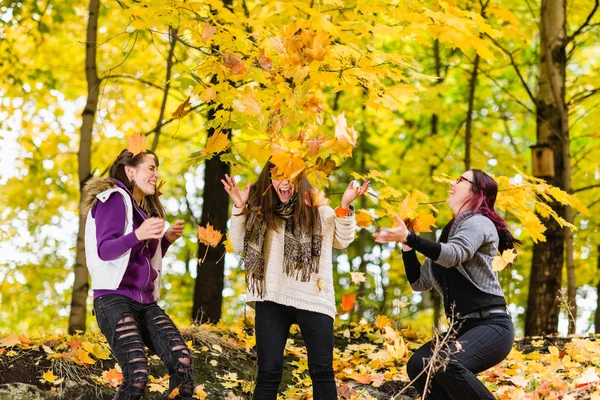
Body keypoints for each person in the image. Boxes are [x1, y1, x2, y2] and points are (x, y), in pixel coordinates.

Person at [222, 160, 368, 400]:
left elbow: (343, 240)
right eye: (278, 175)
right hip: (271, 297)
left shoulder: (320, 212)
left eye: (292, 175)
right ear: (270, 181)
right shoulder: (261, 214)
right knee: (268, 372)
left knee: (322, 371)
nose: (285, 181)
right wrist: (239, 206)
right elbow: (239, 245)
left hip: (314, 299)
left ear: (300, 179)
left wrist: (344, 206)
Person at [373, 169, 519, 400]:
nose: (452, 182)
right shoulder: (448, 236)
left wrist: (411, 238)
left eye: (461, 179)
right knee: (419, 366)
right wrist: (407, 247)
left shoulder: (478, 222)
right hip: (461, 328)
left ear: (476, 191)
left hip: (492, 325)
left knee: (444, 362)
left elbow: (455, 254)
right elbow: (418, 283)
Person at [82, 149, 195, 400]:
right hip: (113, 299)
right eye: (151, 168)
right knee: (138, 373)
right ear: (131, 171)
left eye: (157, 168)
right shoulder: (113, 199)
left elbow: (141, 258)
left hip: (144, 302)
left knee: (182, 361)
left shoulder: (143, 211)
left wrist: (165, 241)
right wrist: (138, 234)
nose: (156, 174)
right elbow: (105, 250)